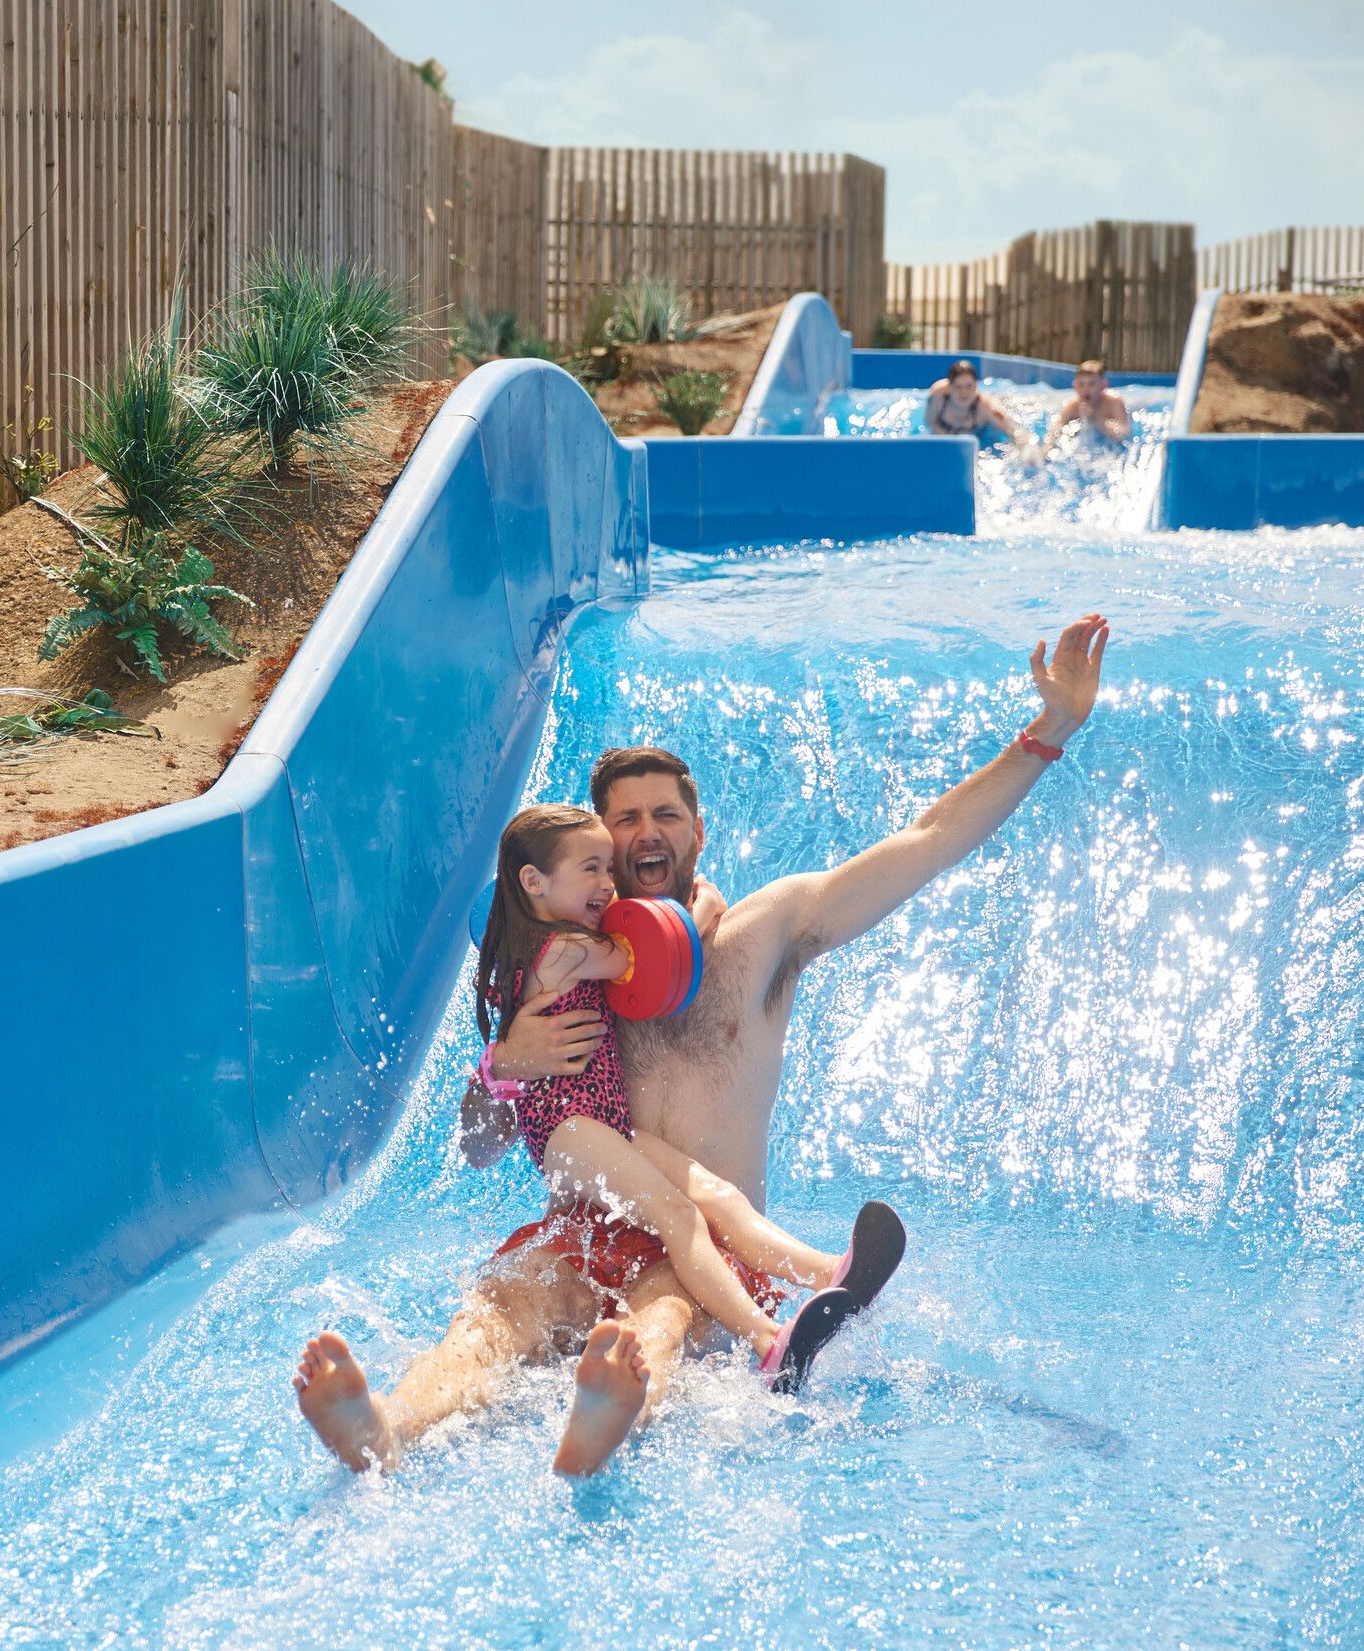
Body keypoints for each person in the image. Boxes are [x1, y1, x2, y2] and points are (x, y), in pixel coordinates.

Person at [294, 613, 1111, 1478]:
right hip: (586, 1225)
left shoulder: (763, 934)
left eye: (666, 815)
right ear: (595, 851)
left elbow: (925, 842)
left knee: (662, 1322)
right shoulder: (568, 964)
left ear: (698, 834)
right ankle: (385, 1425)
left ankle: (603, 1424)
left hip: (700, 1265)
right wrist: (508, 1064)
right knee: (495, 1311)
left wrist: (1047, 731)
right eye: (623, 820)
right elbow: (479, 1150)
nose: (646, 831)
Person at [468, 803, 892, 1389]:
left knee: (717, 1196)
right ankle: (769, 1342)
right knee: (680, 1216)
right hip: (568, 1128)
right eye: (591, 869)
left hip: (600, 1121)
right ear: (533, 882)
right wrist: (704, 905)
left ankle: (831, 1274)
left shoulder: (553, 942)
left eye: (607, 871)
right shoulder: (563, 951)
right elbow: (648, 953)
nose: (606, 884)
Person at [924, 359, 1030, 452]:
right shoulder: (938, 396)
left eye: (969, 386)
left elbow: (1013, 432)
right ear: (949, 387)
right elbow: (930, 421)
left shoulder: (985, 407)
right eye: (958, 387)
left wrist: (1027, 451)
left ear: (976, 386)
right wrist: (944, 443)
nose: (964, 392)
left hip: (982, 437)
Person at [1045, 359, 1133, 453]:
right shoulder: (1072, 407)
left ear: (1103, 385)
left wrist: (1095, 419)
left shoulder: (1113, 402)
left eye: (1092, 384)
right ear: (1074, 386)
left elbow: (1124, 435)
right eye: (1081, 384)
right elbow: (1053, 433)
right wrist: (1045, 451)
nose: (1086, 389)